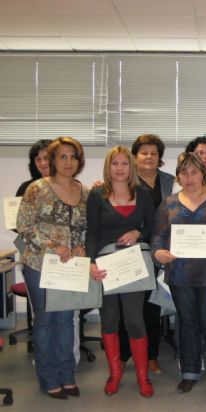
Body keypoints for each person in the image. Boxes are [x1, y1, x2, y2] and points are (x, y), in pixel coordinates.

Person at [152, 152, 206, 403]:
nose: (189, 177)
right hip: (180, 275)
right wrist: (159, 252)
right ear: (178, 175)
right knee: (188, 325)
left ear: (203, 173)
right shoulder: (169, 203)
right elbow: (157, 236)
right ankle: (189, 372)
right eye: (184, 172)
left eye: (194, 172)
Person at [16, 136, 88, 399]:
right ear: (53, 160)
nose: (68, 162)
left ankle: (67, 375)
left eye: (73, 156)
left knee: (67, 321)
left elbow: (82, 227)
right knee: (46, 321)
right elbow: (24, 225)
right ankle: (48, 378)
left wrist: (80, 246)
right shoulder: (37, 188)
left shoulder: (83, 190)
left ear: (79, 161)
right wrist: (51, 245)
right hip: (39, 264)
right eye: (62, 156)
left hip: (69, 267)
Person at [86, 146, 155, 398]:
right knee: (110, 319)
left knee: (135, 320)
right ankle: (114, 374)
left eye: (124, 163)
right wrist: (91, 262)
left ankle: (141, 375)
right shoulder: (96, 195)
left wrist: (139, 233)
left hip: (132, 266)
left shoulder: (143, 193)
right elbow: (91, 232)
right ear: (108, 166)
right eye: (114, 163)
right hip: (106, 267)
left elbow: (154, 227)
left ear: (131, 167)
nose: (119, 168)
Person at [117, 134, 174, 374]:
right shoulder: (123, 182)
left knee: (151, 306)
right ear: (135, 157)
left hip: (161, 252)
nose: (149, 157)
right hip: (131, 252)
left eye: (154, 152)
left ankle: (151, 356)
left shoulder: (170, 182)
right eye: (143, 153)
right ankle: (122, 354)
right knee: (127, 307)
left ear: (160, 157)